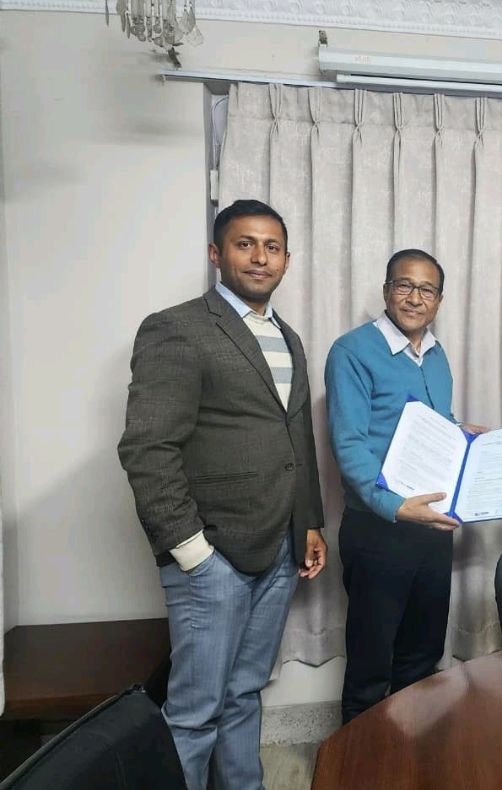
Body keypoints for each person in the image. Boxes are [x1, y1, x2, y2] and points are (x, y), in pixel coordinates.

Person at [118, 199, 327, 790]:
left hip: (279, 549)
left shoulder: (287, 336)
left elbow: (296, 438)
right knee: (194, 713)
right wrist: (192, 552)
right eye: (245, 244)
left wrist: (309, 522)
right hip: (211, 557)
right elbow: (147, 448)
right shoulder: (177, 328)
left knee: (244, 693)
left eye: (272, 247)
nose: (260, 257)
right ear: (216, 253)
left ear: (286, 260)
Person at [326, 249, 485, 723]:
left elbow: (431, 426)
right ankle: (359, 760)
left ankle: (409, 755)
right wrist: (395, 506)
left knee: (422, 655)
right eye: (404, 285)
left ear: (439, 300)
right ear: (386, 291)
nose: (415, 298)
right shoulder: (352, 351)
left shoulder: (436, 354)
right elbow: (349, 444)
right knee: (372, 664)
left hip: (431, 526)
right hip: (379, 529)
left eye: (427, 290)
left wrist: (462, 433)